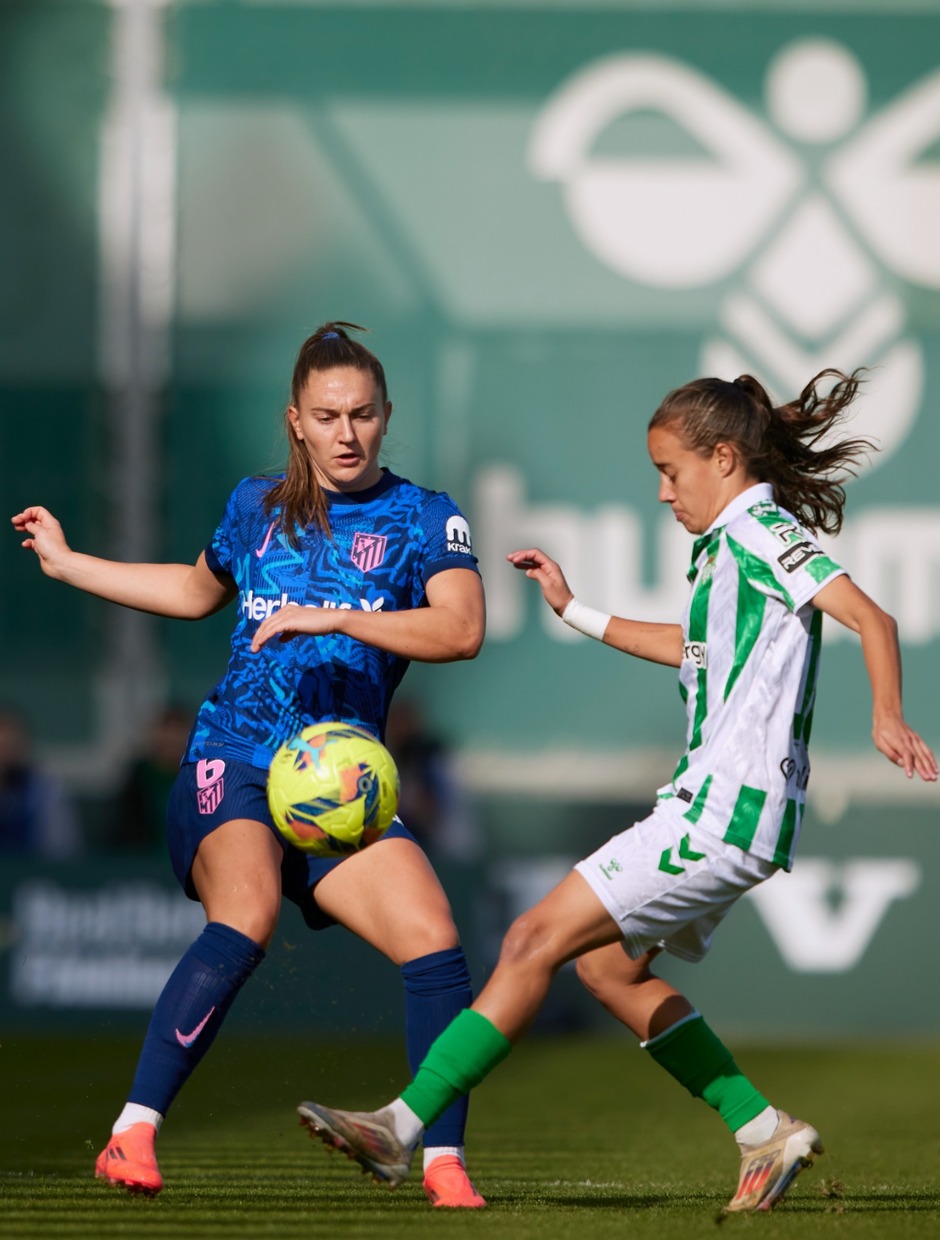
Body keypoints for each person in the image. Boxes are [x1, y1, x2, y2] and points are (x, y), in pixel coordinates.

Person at [292, 367, 938, 1214]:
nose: (664, 492)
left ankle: (400, 1128)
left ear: (723, 458)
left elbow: (872, 618)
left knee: (529, 940)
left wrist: (886, 716)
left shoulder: (761, 531)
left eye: (672, 472)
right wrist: (575, 610)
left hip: (720, 810)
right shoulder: (730, 547)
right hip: (728, 812)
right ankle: (762, 1131)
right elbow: (695, 648)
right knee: (606, 969)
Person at [11, 322, 488, 1208]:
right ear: (295, 422)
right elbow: (196, 593)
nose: (347, 434)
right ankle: (134, 1133)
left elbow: (460, 630)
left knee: (435, 940)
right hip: (233, 756)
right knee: (250, 911)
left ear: (388, 415)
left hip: (338, 782)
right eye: (327, 415)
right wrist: (72, 565)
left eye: (364, 414)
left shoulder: (428, 518)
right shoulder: (255, 503)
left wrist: (337, 617)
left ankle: (439, 1160)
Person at [0, 705, 82, 859]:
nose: (4, 755)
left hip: (31, 876)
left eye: (10, 746)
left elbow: (62, 851)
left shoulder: (46, 791)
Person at [108, 705, 193, 852]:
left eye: (177, 732)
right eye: (165, 731)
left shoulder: (200, 777)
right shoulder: (138, 778)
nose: (170, 739)